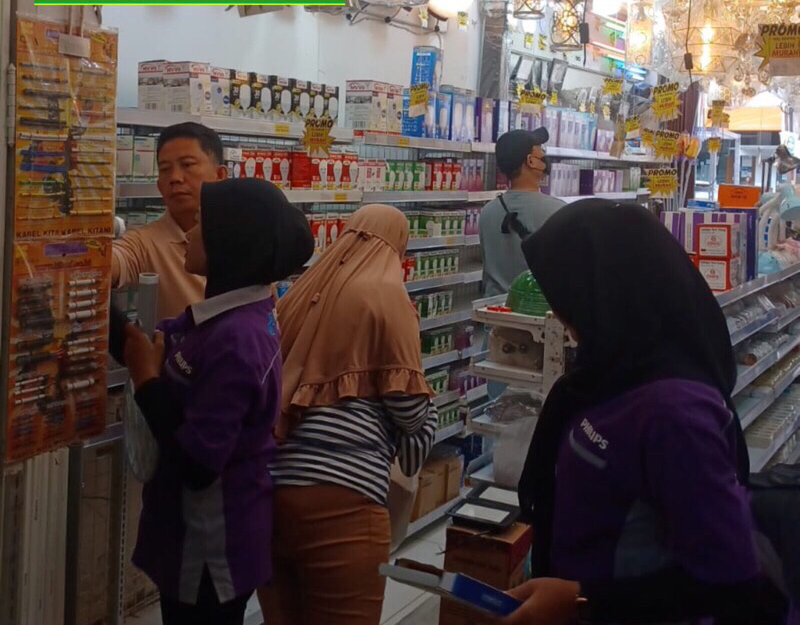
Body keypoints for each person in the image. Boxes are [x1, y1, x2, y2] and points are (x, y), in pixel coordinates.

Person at [503, 199, 786, 625]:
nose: (558, 312)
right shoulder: (608, 371)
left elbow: (733, 581)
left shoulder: (675, 414)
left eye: (563, 294)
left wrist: (584, 600)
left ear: (607, 292)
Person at [122, 178, 314, 625]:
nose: (188, 233)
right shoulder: (222, 316)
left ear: (231, 243)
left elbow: (198, 464)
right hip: (191, 535)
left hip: (211, 549)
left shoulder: (238, 340)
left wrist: (146, 380)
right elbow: (142, 343)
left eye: (201, 225)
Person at [259, 204, 438, 625]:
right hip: (343, 497)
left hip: (272, 489)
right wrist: (423, 418)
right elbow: (409, 408)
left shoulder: (301, 290)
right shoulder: (386, 294)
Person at [112, 122, 227, 321]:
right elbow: (108, 264)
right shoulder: (144, 243)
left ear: (220, 175)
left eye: (187, 165)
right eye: (165, 169)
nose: (175, 177)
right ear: (159, 185)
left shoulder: (246, 237)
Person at [479, 128, 564, 298]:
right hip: (534, 308)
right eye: (541, 152)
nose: (545, 157)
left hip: (494, 308)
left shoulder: (486, 212)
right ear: (530, 161)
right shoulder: (558, 211)